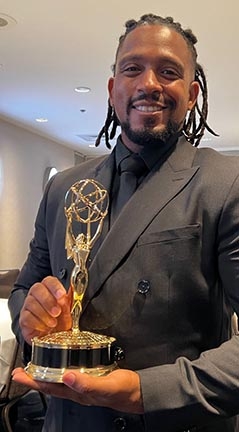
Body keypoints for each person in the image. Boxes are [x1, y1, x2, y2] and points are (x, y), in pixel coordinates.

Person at [9, 13, 239, 432]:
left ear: (191, 94)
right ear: (114, 89)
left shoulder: (226, 184)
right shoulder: (63, 187)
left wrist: (144, 392)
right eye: (132, 68)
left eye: (168, 72)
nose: (148, 83)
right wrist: (29, 315)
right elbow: (26, 285)